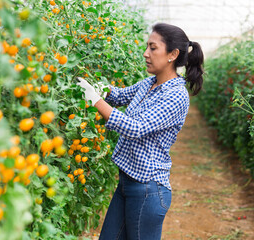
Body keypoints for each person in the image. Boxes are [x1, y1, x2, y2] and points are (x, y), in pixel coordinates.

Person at [76, 22, 204, 239]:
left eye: (153, 48)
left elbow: (136, 128)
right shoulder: (149, 84)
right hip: (127, 183)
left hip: (148, 189)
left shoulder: (176, 96)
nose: (146, 53)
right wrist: (95, 87)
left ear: (172, 54)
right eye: (147, 47)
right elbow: (117, 96)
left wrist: (95, 100)